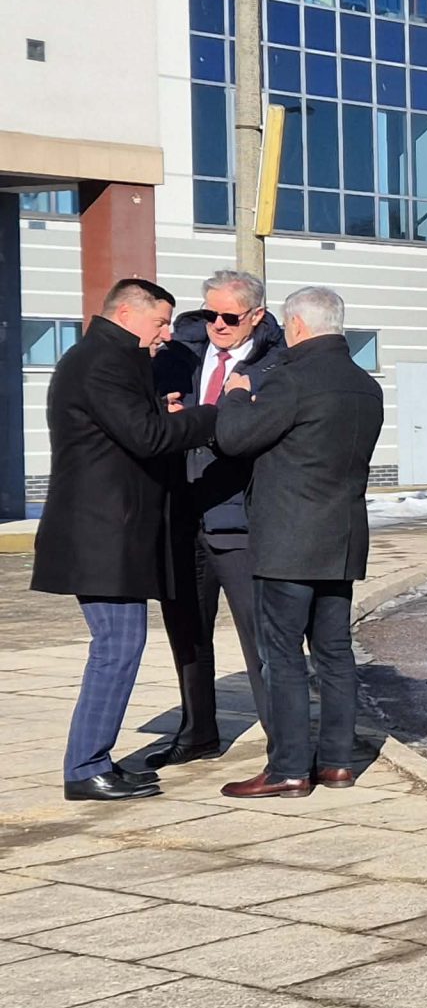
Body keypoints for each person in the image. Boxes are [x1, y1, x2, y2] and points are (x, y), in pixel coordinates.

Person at [32, 279, 221, 802]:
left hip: (108, 529)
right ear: (126, 313)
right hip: (102, 533)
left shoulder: (106, 357)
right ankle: (85, 767)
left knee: (119, 645)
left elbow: (133, 429)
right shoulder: (105, 362)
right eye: (160, 322)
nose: (166, 334)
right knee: (117, 647)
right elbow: (147, 437)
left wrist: (164, 413)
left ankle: (93, 761)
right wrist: (213, 415)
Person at [211, 287, 386, 799]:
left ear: (297, 326)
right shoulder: (364, 385)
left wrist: (238, 392)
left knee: (282, 656)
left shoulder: (291, 378)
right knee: (335, 653)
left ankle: (288, 768)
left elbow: (236, 438)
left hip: (288, 541)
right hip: (343, 539)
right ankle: (336, 762)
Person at [145, 271, 287, 767]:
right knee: (187, 633)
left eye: (229, 316)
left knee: (261, 640)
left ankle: (283, 747)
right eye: (210, 315)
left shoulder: (275, 365)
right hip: (182, 516)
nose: (218, 325)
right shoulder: (178, 359)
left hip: (242, 523)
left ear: (256, 316)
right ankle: (198, 731)